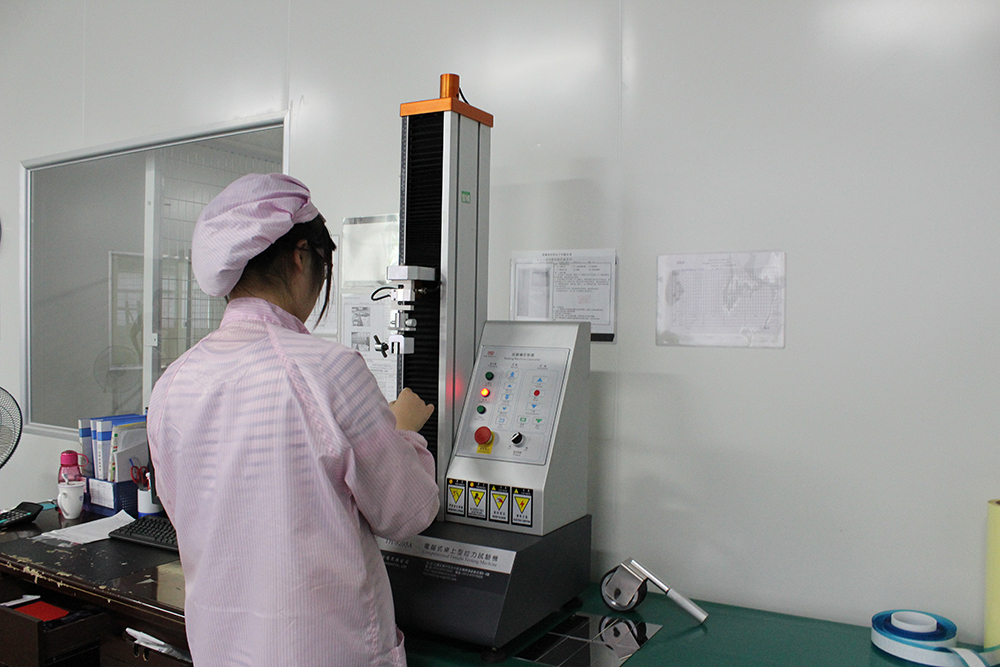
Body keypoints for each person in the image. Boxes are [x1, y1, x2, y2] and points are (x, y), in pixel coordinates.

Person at [147, 173, 439, 667]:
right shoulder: (329, 371)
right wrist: (402, 430)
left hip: (222, 650)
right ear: (302, 256)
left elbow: (187, 513)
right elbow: (406, 514)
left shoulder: (173, 383)